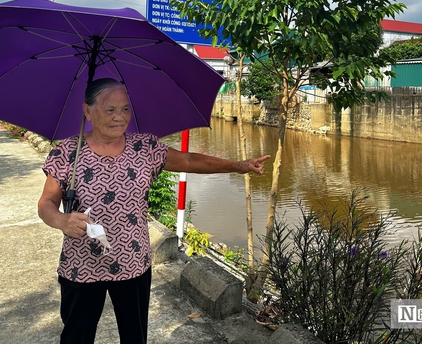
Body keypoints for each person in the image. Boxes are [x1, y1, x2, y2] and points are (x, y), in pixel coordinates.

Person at [38, 78, 270, 344]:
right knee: (76, 336)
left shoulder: (144, 148)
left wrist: (238, 166)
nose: (120, 117)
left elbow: (190, 160)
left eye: (125, 109)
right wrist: (61, 220)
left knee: (135, 336)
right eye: (109, 109)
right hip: (81, 264)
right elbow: (46, 203)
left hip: (133, 261)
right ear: (87, 111)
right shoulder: (68, 152)